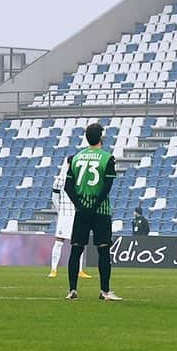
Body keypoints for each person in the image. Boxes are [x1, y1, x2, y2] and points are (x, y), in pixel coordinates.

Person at [64, 122, 120, 301]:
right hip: (100, 210)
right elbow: (107, 186)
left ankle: (72, 290)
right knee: (103, 250)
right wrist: (95, 205)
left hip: (81, 210)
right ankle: (104, 291)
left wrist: (80, 205)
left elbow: (68, 186)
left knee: (76, 249)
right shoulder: (107, 158)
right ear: (101, 137)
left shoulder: (76, 158)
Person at [48, 160, 91, 279]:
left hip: (77, 214)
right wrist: (60, 210)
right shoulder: (60, 179)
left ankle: (80, 270)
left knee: (79, 242)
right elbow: (54, 197)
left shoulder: (81, 178)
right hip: (64, 215)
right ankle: (53, 269)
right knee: (59, 241)